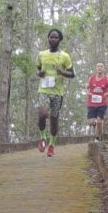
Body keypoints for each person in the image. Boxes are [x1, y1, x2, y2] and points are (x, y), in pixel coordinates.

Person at [36, 29, 75, 157]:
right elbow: (38, 70)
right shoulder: (41, 54)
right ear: (48, 38)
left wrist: (62, 72)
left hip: (57, 92)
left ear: (59, 40)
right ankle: (42, 138)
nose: (53, 39)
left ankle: (52, 145)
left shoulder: (65, 56)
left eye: (56, 37)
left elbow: (72, 74)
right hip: (44, 90)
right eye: (51, 37)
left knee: (54, 121)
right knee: (42, 114)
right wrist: (39, 73)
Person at [86, 62, 108, 142]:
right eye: (98, 66)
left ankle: (97, 138)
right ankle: (98, 125)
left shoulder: (107, 79)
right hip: (91, 103)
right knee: (91, 122)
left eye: (101, 66)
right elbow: (87, 88)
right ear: (96, 68)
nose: (99, 68)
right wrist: (88, 92)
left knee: (99, 121)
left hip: (102, 103)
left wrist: (106, 94)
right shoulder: (91, 78)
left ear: (103, 68)